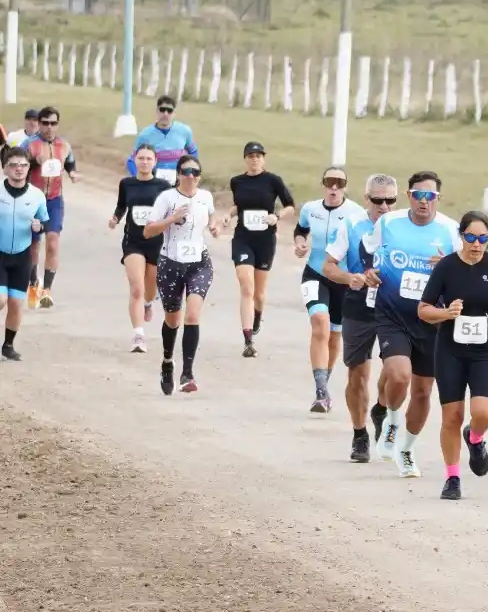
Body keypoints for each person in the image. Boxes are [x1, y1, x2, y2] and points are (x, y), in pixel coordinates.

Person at [418, 211, 488, 500]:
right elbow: (423, 309)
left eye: (482, 238)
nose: (476, 244)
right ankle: (452, 478)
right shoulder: (447, 267)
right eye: (470, 237)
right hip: (449, 351)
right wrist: (446, 313)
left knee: (483, 412)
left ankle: (475, 438)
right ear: (461, 236)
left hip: (484, 352)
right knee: (452, 416)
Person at [372, 171, 461, 477]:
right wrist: (370, 274)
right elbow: (371, 255)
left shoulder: (451, 231)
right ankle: (392, 421)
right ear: (409, 196)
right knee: (399, 376)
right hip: (393, 314)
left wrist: (447, 266)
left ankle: (407, 450)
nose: (424, 202)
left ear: (438, 198)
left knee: (423, 392)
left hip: (432, 320)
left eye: (430, 196)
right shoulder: (388, 223)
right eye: (418, 195)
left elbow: (464, 272)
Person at [323, 174, 398, 463]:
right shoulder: (351, 225)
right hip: (359, 304)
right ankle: (359, 433)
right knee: (358, 374)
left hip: (394, 305)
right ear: (366, 199)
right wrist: (349, 278)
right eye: (378, 200)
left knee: (396, 370)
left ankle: (381, 408)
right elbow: (328, 266)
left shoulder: (403, 227)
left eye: (390, 200)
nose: (384, 206)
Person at [141, 156, 222, 395]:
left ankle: (187, 373)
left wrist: (214, 226)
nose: (190, 176)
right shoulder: (166, 199)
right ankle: (167, 362)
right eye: (186, 172)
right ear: (178, 174)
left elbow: (211, 215)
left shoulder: (205, 197)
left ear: (200, 176)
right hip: (171, 264)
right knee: (173, 319)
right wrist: (171, 219)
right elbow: (148, 231)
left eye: (195, 172)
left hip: (199, 263)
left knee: (193, 314)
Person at [294, 166, 366, 413]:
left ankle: (324, 386)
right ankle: (320, 390)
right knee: (319, 322)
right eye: (329, 182)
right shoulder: (310, 209)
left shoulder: (356, 213)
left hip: (342, 280)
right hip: (315, 274)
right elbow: (301, 229)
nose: (334, 187)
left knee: (335, 335)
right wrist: (300, 243)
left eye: (339, 183)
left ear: (345, 186)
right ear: (323, 184)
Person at [227, 141, 296, 358]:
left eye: (258, 156)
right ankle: (248, 339)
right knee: (246, 286)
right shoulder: (237, 182)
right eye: (251, 156)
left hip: (265, 240)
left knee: (259, 293)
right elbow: (238, 205)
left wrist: (277, 216)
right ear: (245, 159)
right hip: (243, 238)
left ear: (263, 159)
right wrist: (229, 215)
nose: (255, 159)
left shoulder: (273, 181)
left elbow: (290, 206)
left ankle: (257, 315)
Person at [109, 144, 172, 352]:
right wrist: (115, 218)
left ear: (155, 162)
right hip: (133, 241)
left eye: (148, 159)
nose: (144, 162)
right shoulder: (126, 183)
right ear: (134, 160)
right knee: (137, 287)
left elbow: (169, 211)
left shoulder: (163, 186)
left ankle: (148, 303)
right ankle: (138, 335)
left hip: (156, 242)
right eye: (141, 158)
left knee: (150, 289)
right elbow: (122, 205)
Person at [22, 106, 79, 310]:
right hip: (32, 201)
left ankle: (47, 290)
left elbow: (70, 163)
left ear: (57, 124)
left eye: (53, 123)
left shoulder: (64, 145)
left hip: (54, 200)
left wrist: (72, 173)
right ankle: (33, 284)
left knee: (53, 243)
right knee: (33, 246)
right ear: (39, 123)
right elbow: (15, 165)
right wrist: (33, 162)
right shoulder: (29, 144)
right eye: (45, 123)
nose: (49, 127)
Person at [0, 147, 49, 360]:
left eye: (23, 165)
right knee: (0, 299)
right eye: (13, 165)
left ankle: (8, 346)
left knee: (15, 304)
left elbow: (44, 222)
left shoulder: (36, 195)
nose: (18, 169)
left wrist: (39, 227)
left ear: (29, 168)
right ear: (5, 168)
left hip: (22, 256)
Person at [129, 95, 198, 185]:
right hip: (152, 182)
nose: (165, 114)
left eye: (169, 111)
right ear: (157, 111)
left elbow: (193, 152)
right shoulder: (144, 135)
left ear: (174, 113)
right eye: (162, 110)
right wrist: (139, 180)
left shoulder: (185, 131)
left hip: (178, 182)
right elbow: (131, 160)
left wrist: (190, 171)